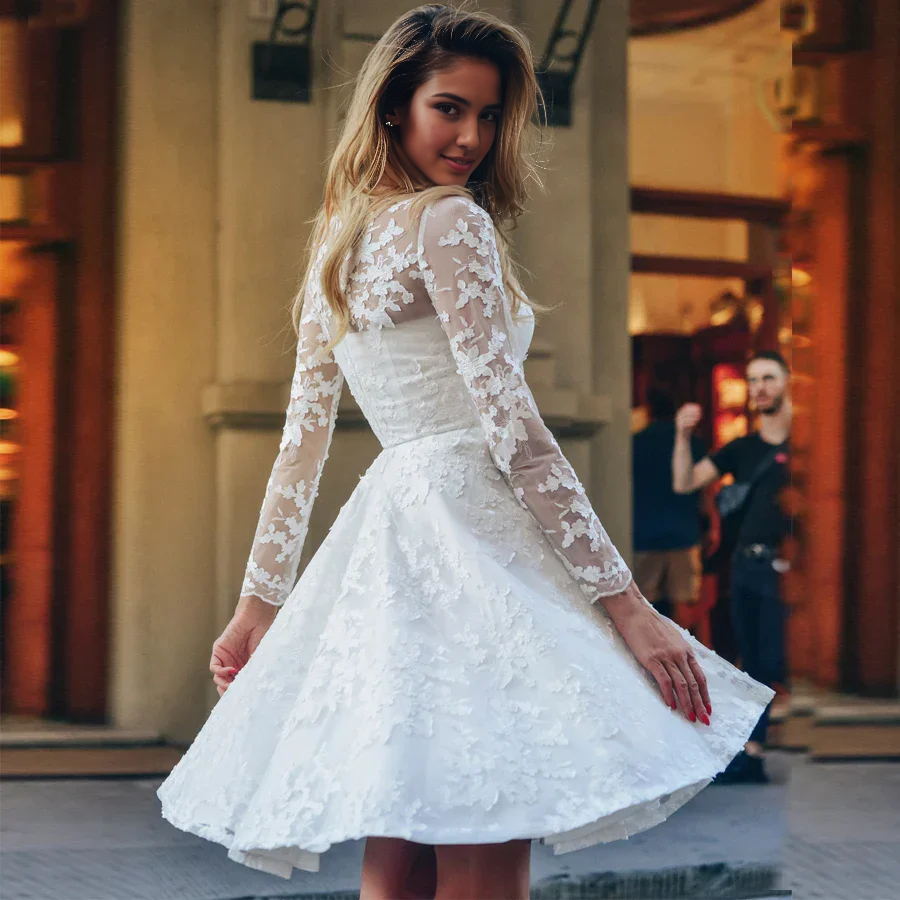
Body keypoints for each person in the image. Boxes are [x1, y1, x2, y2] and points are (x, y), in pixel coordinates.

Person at [157, 7, 774, 897]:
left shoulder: (335, 242)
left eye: (489, 116)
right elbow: (513, 429)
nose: (473, 137)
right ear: (393, 106)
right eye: (450, 108)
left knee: (401, 854)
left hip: (389, 539)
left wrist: (261, 603)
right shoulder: (449, 224)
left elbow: (301, 449)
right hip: (471, 535)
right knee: (485, 840)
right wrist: (626, 603)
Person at [673, 350, 792, 784]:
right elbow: (684, 482)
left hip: (788, 570)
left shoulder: (811, 445)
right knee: (753, 661)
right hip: (745, 566)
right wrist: (683, 436)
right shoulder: (742, 448)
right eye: (753, 380)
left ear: (788, 383)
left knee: (776, 659)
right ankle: (752, 750)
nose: (760, 388)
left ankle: (757, 746)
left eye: (769, 378)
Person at [632, 389, 715, 633]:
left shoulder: (635, 443)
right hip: (684, 532)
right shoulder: (694, 444)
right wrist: (712, 525)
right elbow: (706, 491)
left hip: (644, 533)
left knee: (644, 605)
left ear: (648, 410)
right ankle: (692, 662)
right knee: (685, 605)